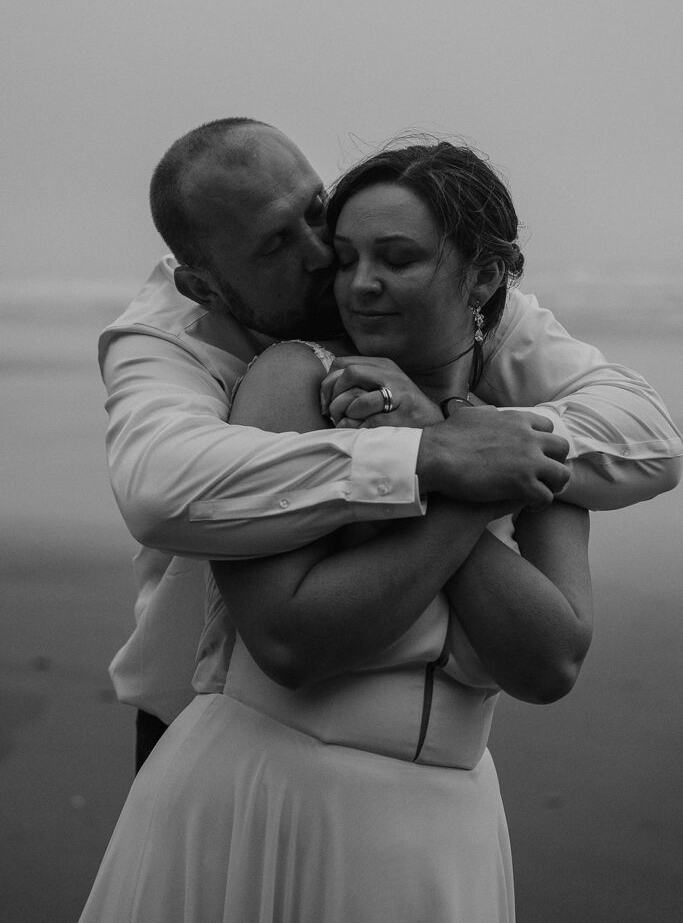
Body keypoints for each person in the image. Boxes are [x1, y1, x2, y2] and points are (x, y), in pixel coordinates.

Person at [80, 141, 595, 922]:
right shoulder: (294, 375)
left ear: (485, 276)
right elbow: (287, 641)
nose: (351, 280)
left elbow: (551, 661)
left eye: (396, 258)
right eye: (348, 255)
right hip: (264, 802)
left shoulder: (528, 421)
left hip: (443, 831)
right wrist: (450, 471)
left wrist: (447, 425)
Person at [98, 118, 681, 769]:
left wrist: (452, 429)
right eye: (274, 247)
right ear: (205, 286)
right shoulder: (174, 339)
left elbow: (650, 437)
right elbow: (160, 492)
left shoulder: (466, 313)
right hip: (200, 721)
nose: (324, 258)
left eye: (315, 212)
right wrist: (430, 455)